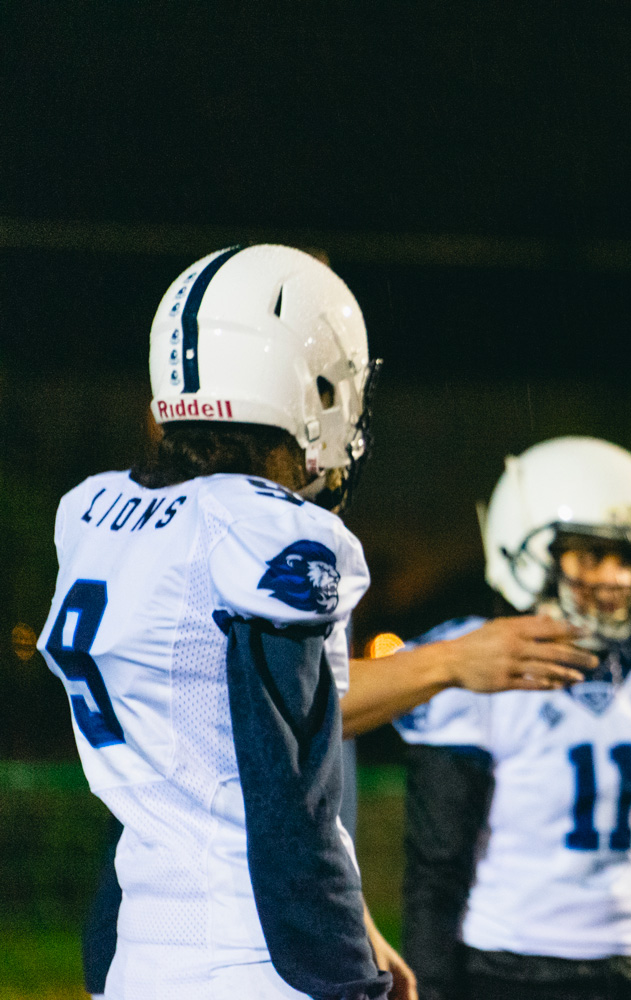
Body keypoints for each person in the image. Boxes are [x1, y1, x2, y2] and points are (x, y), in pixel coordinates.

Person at [68, 248, 597, 1000]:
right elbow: (285, 798)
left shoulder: (96, 514)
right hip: (261, 957)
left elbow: (217, 736)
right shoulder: (271, 535)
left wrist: (360, 924)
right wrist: (348, 971)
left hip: (143, 948)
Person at [394, 436, 631, 1000]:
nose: (617, 579)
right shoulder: (475, 674)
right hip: (501, 972)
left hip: (624, 969)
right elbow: (436, 872)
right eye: (591, 555)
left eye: (629, 558)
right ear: (523, 549)